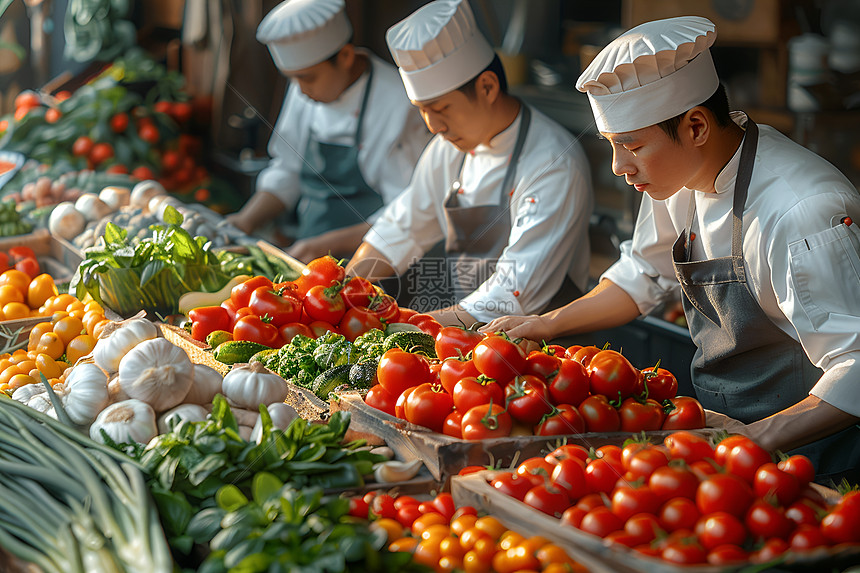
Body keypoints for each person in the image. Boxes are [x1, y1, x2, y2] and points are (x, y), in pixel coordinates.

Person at [483, 16, 860, 484]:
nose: (621, 167)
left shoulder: (797, 210)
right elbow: (643, 272)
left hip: (813, 461)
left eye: (632, 146)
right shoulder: (680, 176)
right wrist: (547, 324)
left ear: (696, 125)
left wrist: (752, 441)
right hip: (724, 438)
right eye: (613, 147)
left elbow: (856, 363)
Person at [346, 0, 593, 326]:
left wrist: (402, 330)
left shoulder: (553, 163)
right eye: (422, 109)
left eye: (441, 108)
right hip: (461, 338)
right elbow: (401, 229)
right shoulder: (448, 149)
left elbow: (512, 294)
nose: (432, 125)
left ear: (487, 87)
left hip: (538, 355)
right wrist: (343, 292)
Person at [224, 0, 430, 261]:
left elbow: (405, 213)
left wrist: (322, 246)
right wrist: (245, 220)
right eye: (292, 78)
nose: (300, 90)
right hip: (308, 255)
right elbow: (288, 169)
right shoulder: (306, 88)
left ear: (344, 57)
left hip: (373, 264)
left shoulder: (398, 103)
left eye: (307, 78)